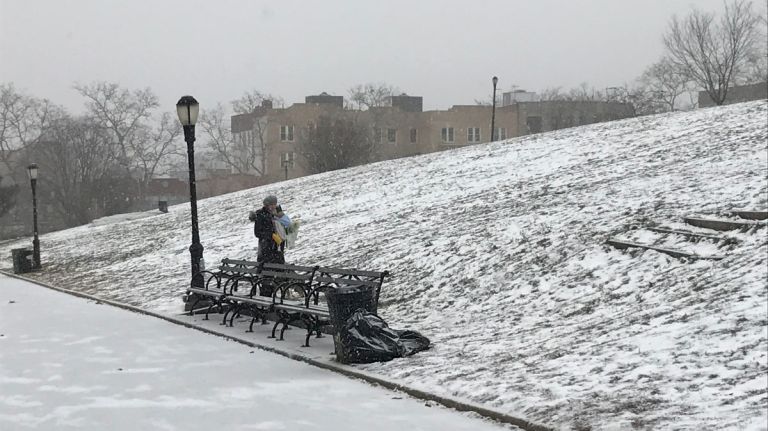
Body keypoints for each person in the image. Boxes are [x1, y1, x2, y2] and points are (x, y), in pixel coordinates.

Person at [250, 195, 284, 264]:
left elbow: (284, 223)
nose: (274, 206)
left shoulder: (276, 212)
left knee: (279, 262)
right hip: (266, 246)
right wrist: (271, 235)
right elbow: (257, 233)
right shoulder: (260, 215)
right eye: (271, 205)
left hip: (278, 244)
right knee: (267, 264)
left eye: (275, 204)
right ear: (266, 205)